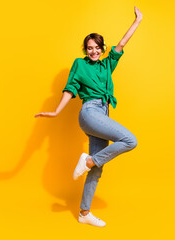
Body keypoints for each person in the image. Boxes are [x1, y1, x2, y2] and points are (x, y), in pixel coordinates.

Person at [35, 6, 143, 227]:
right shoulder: (80, 64)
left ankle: (84, 213)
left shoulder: (107, 65)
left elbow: (122, 43)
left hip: (103, 112)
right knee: (130, 140)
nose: (93, 51)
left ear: (102, 48)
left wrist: (137, 21)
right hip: (90, 113)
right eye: (89, 48)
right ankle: (89, 160)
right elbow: (71, 87)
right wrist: (56, 111)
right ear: (85, 50)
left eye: (96, 48)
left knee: (96, 169)